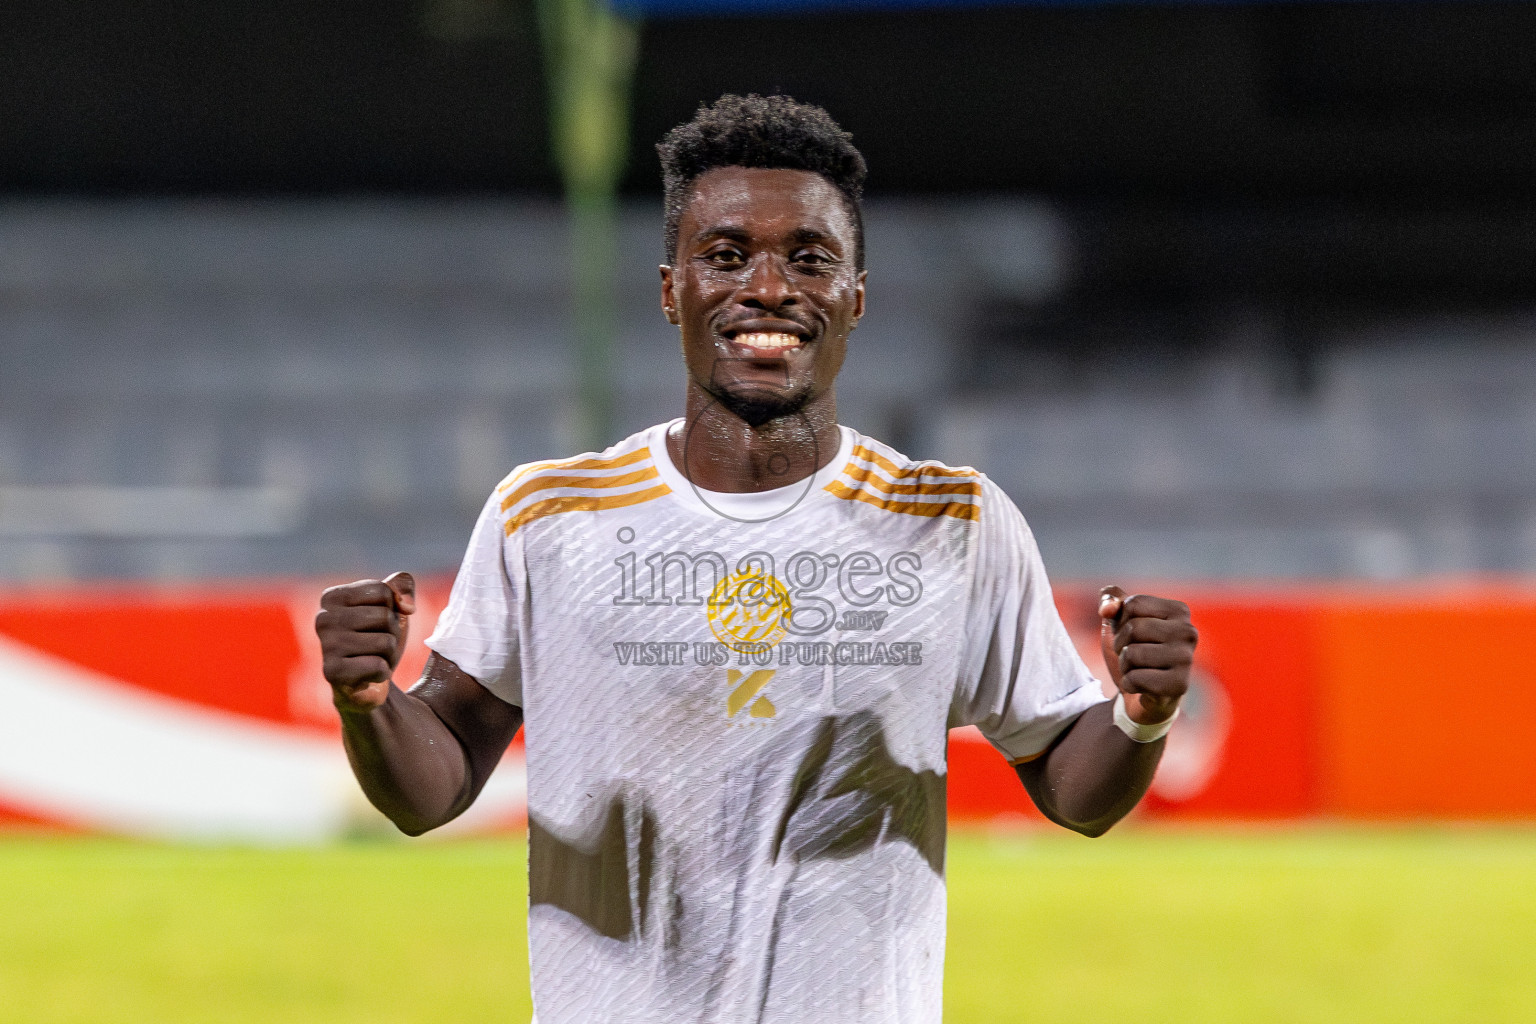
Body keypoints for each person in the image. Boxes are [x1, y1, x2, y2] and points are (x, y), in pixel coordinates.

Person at [315, 94, 1197, 1024]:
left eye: (808, 259)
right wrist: (369, 702)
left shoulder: (952, 519)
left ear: (856, 295)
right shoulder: (549, 515)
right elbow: (434, 781)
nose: (768, 289)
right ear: (671, 290)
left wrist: (1139, 715)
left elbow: (1070, 779)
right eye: (726, 256)